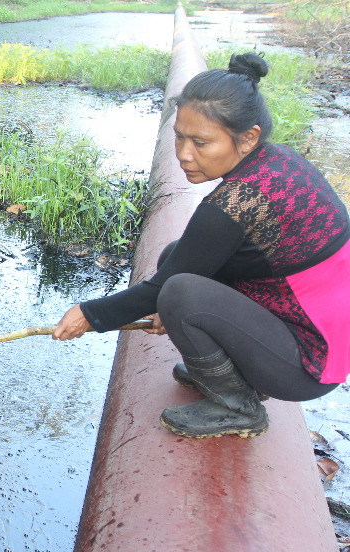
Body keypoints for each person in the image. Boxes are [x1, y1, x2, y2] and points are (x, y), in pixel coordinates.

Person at [52, 52, 350, 439]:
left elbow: (166, 288)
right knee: (173, 256)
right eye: (179, 136)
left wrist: (89, 315)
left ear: (248, 138)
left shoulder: (236, 203)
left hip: (308, 363)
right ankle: (226, 373)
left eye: (201, 142)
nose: (184, 154)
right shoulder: (274, 162)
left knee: (178, 291)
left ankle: (238, 406)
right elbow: (196, 262)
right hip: (297, 324)